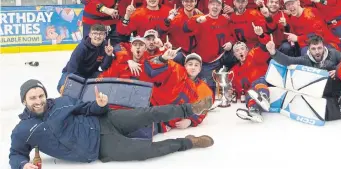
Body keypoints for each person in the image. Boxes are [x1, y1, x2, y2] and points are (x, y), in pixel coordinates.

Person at [9, 79, 214, 169]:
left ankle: (191, 109)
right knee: (146, 151)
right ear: (24, 101)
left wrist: (99, 105)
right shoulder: (24, 130)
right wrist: (22, 164)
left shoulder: (61, 103)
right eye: (32, 98)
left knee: (147, 114)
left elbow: (88, 109)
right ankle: (188, 142)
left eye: (40, 95)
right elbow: (16, 153)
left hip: (104, 120)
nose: (38, 101)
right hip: (99, 148)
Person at [266, 35, 341, 98]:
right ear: (309, 49)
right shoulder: (305, 59)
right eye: (313, 49)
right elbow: (288, 61)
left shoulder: (334, 53)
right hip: (318, 94)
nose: (317, 51)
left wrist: (338, 71)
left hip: (337, 90)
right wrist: (273, 52)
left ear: (324, 47)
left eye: (319, 48)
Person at [56, 24, 114, 92]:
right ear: (90, 35)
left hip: (90, 73)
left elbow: (104, 67)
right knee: (63, 89)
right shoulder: (81, 48)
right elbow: (72, 69)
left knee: (106, 80)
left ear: (104, 36)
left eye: (101, 34)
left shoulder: (105, 46)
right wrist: (81, 83)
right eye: (95, 33)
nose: (98, 36)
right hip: (73, 73)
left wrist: (108, 55)